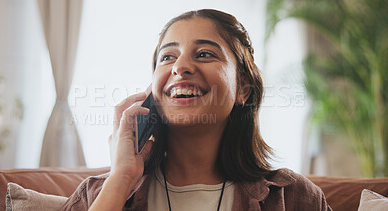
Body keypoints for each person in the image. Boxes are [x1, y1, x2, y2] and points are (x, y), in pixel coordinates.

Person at [60, 9, 331, 211]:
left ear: (243, 89)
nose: (180, 67)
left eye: (204, 54)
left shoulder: (293, 197)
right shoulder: (98, 194)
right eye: (167, 57)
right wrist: (121, 180)